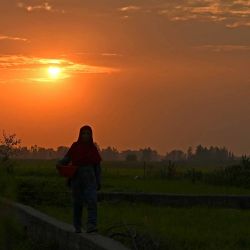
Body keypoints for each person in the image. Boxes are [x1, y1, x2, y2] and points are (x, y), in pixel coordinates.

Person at [56, 125, 102, 233]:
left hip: (90, 179)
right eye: (83, 133)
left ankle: (91, 225)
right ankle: (77, 226)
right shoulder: (75, 146)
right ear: (80, 135)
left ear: (91, 136)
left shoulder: (93, 149)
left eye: (88, 133)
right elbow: (67, 159)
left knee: (92, 201)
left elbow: (97, 167)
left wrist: (98, 181)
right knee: (78, 203)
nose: (85, 135)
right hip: (77, 178)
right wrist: (60, 164)